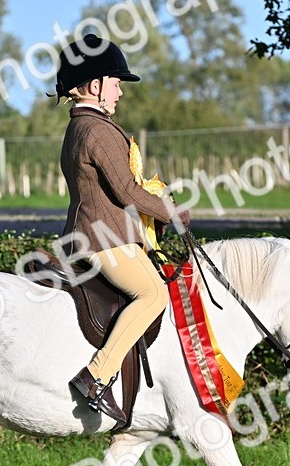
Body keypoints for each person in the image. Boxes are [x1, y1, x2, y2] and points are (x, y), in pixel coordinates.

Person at [53, 34, 190, 423]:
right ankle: (97, 376)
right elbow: (127, 191)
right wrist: (169, 213)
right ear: (94, 85)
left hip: (97, 234)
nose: (119, 92)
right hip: (104, 239)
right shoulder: (97, 130)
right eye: (115, 83)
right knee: (154, 295)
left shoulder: (83, 126)